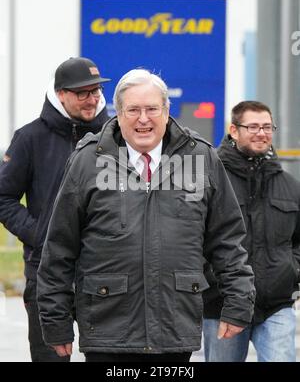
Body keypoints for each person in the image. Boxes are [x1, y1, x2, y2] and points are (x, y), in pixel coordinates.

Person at [37, 69, 255, 362]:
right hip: (107, 330)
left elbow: (228, 240)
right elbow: (59, 249)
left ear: (166, 111)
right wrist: (55, 322)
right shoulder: (88, 160)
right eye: (133, 110)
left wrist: (239, 303)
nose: (143, 119)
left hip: (174, 330)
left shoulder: (200, 157)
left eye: (152, 109)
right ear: (119, 113)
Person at [0, 57, 110, 362]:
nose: (92, 99)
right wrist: (40, 234)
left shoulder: (115, 137)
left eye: (96, 92)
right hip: (46, 273)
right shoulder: (30, 138)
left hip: (105, 274)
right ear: (60, 94)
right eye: (82, 93)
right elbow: (4, 198)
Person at [203, 100, 300, 362]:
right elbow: (192, 237)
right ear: (233, 131)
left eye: (267, 127)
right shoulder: (210, 181)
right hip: (223, 304)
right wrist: (207, 281)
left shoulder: (289, 185)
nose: (262, 133)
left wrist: (293, 272)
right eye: (253, 126)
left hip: (275, 304)